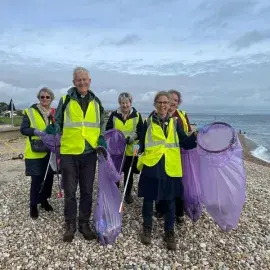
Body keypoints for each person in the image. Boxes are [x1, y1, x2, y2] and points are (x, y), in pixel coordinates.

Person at [45, 67, 107, 242]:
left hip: (89, 153)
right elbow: (58, 121)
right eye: (78, 80)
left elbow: (101, 123)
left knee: (87, 191)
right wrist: (54, 128)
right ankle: (70, 224)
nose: (82, 82)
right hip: (69, 153)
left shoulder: (97, 102)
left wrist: (101, 137)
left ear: (90, 81)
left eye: (84, 79)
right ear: (74, 82)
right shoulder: (65, 100)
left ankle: (84, 224)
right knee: (70, 191)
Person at [137, 91, 197, 250]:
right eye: (160, 102)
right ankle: (147, 228)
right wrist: (136, 151)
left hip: (171, 167)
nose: (163, 105)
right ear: (155, 104)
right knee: (149, 199)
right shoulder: (148, 123)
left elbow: (185, 142)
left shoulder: (175, 123)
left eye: (166, 102)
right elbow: (141, 143)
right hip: (152, 166)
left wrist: (197, 137)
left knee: (170, 200)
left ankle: (169, 231)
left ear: (169, 104)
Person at [156, 89, 193, 223]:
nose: (172, 102)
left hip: (180, 155)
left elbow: (188, 134)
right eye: (170, 99)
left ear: (178, 103)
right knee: (161, 182)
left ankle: (179, 211)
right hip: (162, 156)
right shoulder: (157, 115)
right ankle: (160, 208)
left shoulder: (182, 116)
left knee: (179, 184)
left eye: (175, 100)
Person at [20, 87, 56, 219]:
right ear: (39, 98)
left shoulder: (53, 113)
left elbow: (56, 128)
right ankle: (33, 204)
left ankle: (44, 200)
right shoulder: (30, 111)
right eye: (42, 97)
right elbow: (23, 129)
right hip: (35, 151)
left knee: (48, 178)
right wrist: (34, 131)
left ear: (51, 99)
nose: (45, 99)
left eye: (48, 97)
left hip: (49, 151)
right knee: (36, 179)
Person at [105, 92, 143, 203]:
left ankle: (127, 193)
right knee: (116, 171)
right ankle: (115, 191)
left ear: (130, 103)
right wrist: (115, 137)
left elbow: (141, 131)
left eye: (126, 102)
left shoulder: (137, 115)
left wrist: (133, 136)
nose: (124, 105)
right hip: (116, 150)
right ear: (119, 103)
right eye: (122, 103)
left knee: (129, 172)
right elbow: (108, 129)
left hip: (131, 149)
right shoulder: (114, 115)